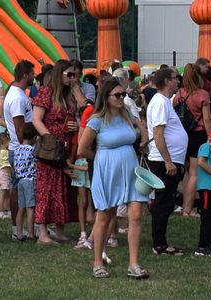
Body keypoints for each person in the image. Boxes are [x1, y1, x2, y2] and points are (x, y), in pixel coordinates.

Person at [79, 77, 149, 279]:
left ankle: (134, 264)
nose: (122, 98)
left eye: (124, 94)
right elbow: (83, 149)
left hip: (130, 169)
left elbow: (139, 131)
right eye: (117, 95)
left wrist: (142, 137)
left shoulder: (126, 115)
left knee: (135, 215)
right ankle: (97, 262)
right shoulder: (96, 120)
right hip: (107, 171)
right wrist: (102, 159)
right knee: (105, 216)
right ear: (106, 97)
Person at [31, 61, 80, 243]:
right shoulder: (46, 92)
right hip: (50, 149)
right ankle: (43, 233)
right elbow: (36, 119)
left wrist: (74, 124)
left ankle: (59, 230)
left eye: (75, 75)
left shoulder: (68, 94)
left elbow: (79, 110)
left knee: (63, 189)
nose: (73, 78)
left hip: (65, 147)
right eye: (69, 75)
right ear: (60, 74)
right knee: (47, 189)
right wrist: (49, 138)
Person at [145, 66, 188, 257]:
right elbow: (158, 133)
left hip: (169, 159)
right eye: (175, 78)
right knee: (164, 202)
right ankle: (159, 244)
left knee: (166, 201)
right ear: (166, 81)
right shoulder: (160, 102)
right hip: (164, 161)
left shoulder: (164, 101)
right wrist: (168, 161)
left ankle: (160, 241)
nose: (178, 81)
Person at [176, 62, 211, 218]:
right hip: (198, 135)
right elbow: (207, 118)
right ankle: (188, 209)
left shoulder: (179, 94)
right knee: (194, 173)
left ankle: (185, 205)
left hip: (182, 135)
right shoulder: (202, 94)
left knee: (186, 173)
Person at [3, 60, 35, 141]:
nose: (34, 77)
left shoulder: (15, 91)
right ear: (25, 76)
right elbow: (19, 130)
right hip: (21, 148)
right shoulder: (17, 98)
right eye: (32, 74)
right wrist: (24, 149)